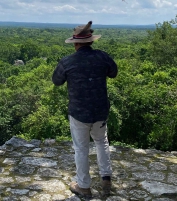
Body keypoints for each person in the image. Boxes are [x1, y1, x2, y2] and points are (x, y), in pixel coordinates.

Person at [52, 21, 118, 198]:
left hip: (79, 112)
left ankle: (83, 186)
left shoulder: (68, 61)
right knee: (101, 142)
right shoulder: (102, 57)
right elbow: (113, 72)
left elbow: (56, 81)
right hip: (100, 110)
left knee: (81, 148)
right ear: (91, 42)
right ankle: (106, 177)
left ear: (75, 44)